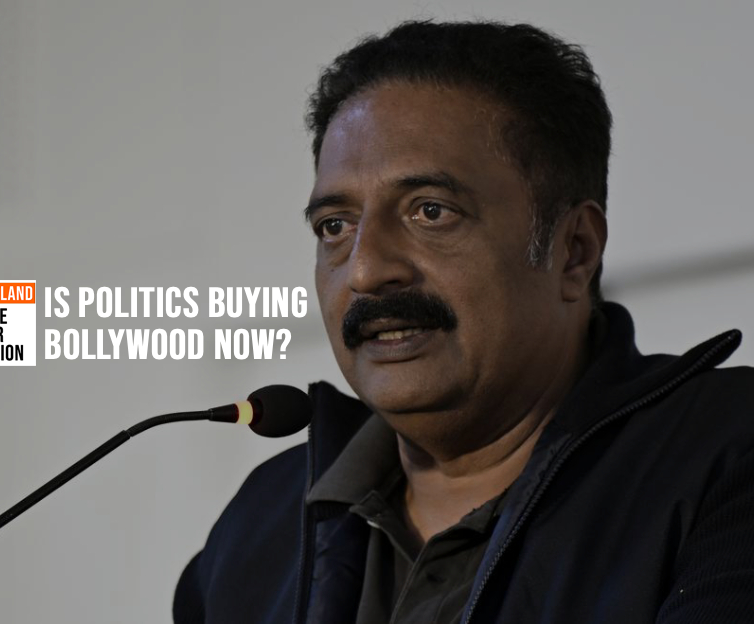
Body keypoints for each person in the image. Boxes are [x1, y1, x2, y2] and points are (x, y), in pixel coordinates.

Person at [173, 19, 754, 624]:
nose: (366, 270)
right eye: (335, 227)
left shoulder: (728, 458)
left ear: (573, 251)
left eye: (430, 211)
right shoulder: (258, 529)